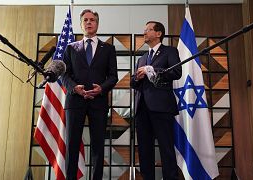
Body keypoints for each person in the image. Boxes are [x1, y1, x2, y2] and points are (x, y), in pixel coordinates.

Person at [61, 9, 118, 180]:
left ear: (97, 24)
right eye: (85, 20)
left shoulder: (108, 48)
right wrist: (73, 88)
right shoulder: (70, 48)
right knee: (72, 144)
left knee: (98, 145)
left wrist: (102, 88)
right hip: (75, 101)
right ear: (81, 24)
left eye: (92, 19)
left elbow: (113, 76)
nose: (88, 22)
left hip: (98, 101)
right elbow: (64, 74)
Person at [130, 21, 182, 180]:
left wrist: (151, 70)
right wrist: (137, 77)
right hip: (142, 109)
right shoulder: (142, 58)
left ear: (159, 34)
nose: (144, 33)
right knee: (145, 152)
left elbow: (176, 72)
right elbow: (133, 83)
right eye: (144, 30)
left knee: (166, 149)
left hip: (162, 108)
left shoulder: (170, 51)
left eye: (148, 30)